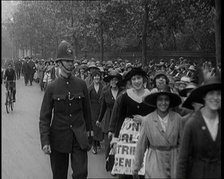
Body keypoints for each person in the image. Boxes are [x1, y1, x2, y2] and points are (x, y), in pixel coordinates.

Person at [39, 40, 92, 179]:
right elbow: (44, 117)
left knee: (81, 173)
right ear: (59, 63)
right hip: (58, 137)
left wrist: (90, 135)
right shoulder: (51, 87)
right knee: (59, 175)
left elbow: (87, 112)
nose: (70, 64)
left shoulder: (81, 85)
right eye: (67, 61)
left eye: (71, 61)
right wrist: (45, 141)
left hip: (79, 137)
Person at [109, 67, 155, 179]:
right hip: (127, 134)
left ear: (143, 79)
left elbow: (155, 117)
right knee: (127, 169)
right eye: (133, 79)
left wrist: (144, 119)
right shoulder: (125, 96)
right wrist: (115, 138)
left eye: (138, 78)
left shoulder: (150, 97)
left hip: (145, 133)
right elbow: (120, 117)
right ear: (131, 81)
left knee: (144, 167)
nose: (136, 81)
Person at [133, 85, 183, 179]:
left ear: (170, 101)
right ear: (156, 102)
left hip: (173, 162)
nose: (163, 103)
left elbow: (182, 144)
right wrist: (136, 167)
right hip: (155, 162)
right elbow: (141, 145)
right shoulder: (148, 120)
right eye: (160, 99)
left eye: (166, 100)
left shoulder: (177, 118)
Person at [176, 76, 221, 179]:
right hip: (198, 174)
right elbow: (182, 161)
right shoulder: (193, 123)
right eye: (211, 94)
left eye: (218, 94)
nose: (215, 98)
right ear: (204, 97)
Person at [96, 70, 123, 159]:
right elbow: (103, 108)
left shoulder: (123, 92)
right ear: (109, 82)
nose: (114, 82)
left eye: (115, 80)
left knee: (119, 142)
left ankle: (117, 161)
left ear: (118, 81)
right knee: (108, 143)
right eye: (112, 80)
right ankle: (108, 160)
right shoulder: (106, 92)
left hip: (120, 118)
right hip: (108, 118)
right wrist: (99, 120)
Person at [88, 70, 104, 154]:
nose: (97, 78)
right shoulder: (90, 88)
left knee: (100, 126)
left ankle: (98, 141)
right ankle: (94, 145)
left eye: (98, 76)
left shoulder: (103, 87)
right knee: (94, 126)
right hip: (93, 109)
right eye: (95, 76)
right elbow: (87, 100)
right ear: (92, 78)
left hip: (101, 108)